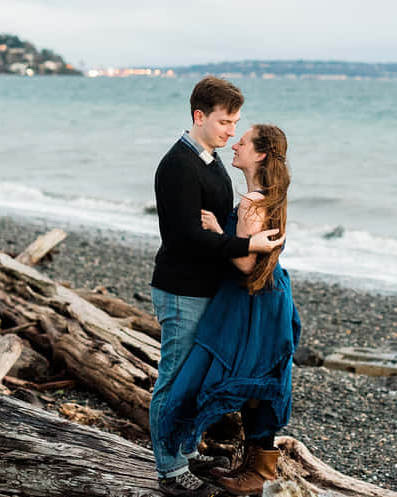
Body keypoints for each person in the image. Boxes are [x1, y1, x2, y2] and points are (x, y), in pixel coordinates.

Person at [151, 77, 285, 497]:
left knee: (193, 378)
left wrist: (239, 238)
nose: (231, 130)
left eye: (235, 123)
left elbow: (218, 225)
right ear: (199, 117)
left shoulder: (209, 161)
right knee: (172, 379)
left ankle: (185, 451)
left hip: (205, 289)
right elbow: (184, 239)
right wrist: (247, 245)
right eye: (225, 121)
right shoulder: (178, 165)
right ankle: (170, 470)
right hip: (181, 289)